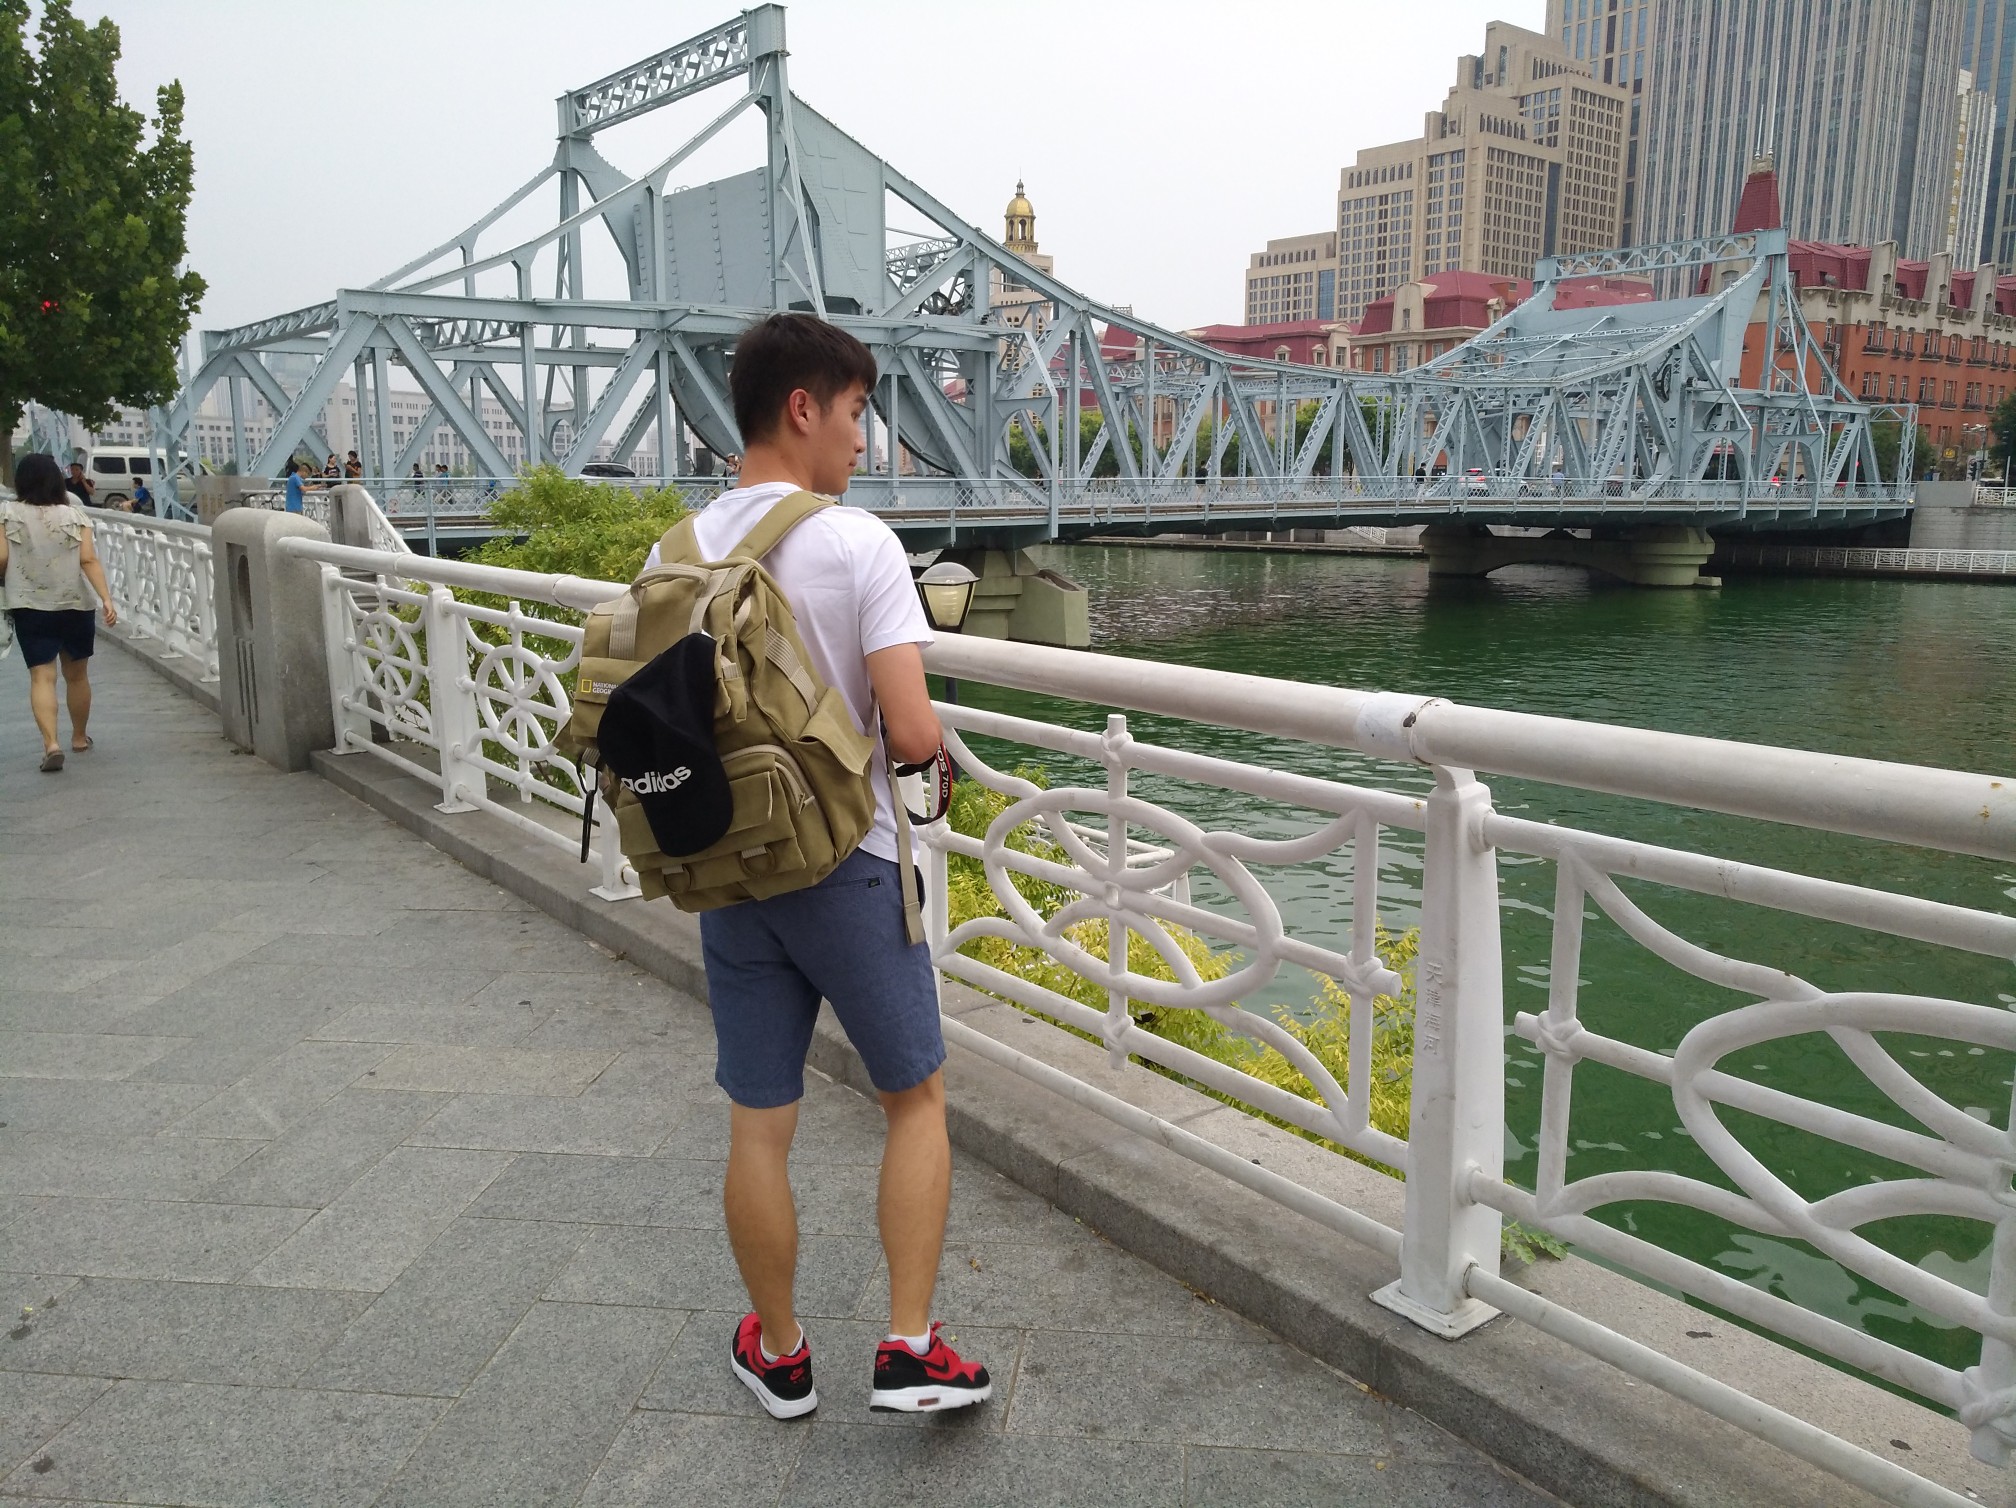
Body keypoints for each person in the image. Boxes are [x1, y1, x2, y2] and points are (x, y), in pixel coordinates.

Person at [638, 312, 990, 1420]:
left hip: (729, 866)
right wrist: (933, 768)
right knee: (914, 1099)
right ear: (803, 408)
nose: (862, 437)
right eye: (854, 411)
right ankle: (909, 1346)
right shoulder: (858, 543)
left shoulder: (675, 550)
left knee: (760, 1118)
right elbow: (914, 730)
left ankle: (781, 1354)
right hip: (849, 864)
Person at [1, 453, 118, 772]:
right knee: (77, 675)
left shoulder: (7, 513)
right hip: (75, 605)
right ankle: (79, 738)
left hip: (30, 605)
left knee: (42, 676)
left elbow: (1, 558)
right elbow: (88, 560)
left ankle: (51, 743)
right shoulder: (76, 515)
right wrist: (106, 599)